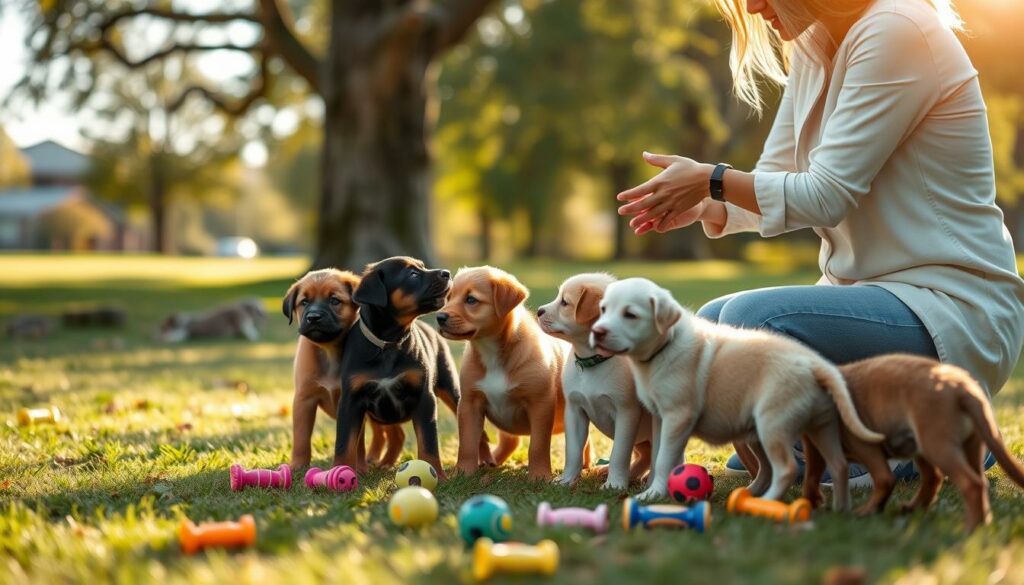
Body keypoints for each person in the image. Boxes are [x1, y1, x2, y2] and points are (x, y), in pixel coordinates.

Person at [616, 0, 1024, 484]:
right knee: (708, 325)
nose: (752, 6)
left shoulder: (899, 29)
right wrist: (710, 204)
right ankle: (821, 446)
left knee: (754, 323)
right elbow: (777, 178)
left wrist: (713, 180)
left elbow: (827, 195)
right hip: (865, 299)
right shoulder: (813, 45)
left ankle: (929, 443)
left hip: (950, 307)